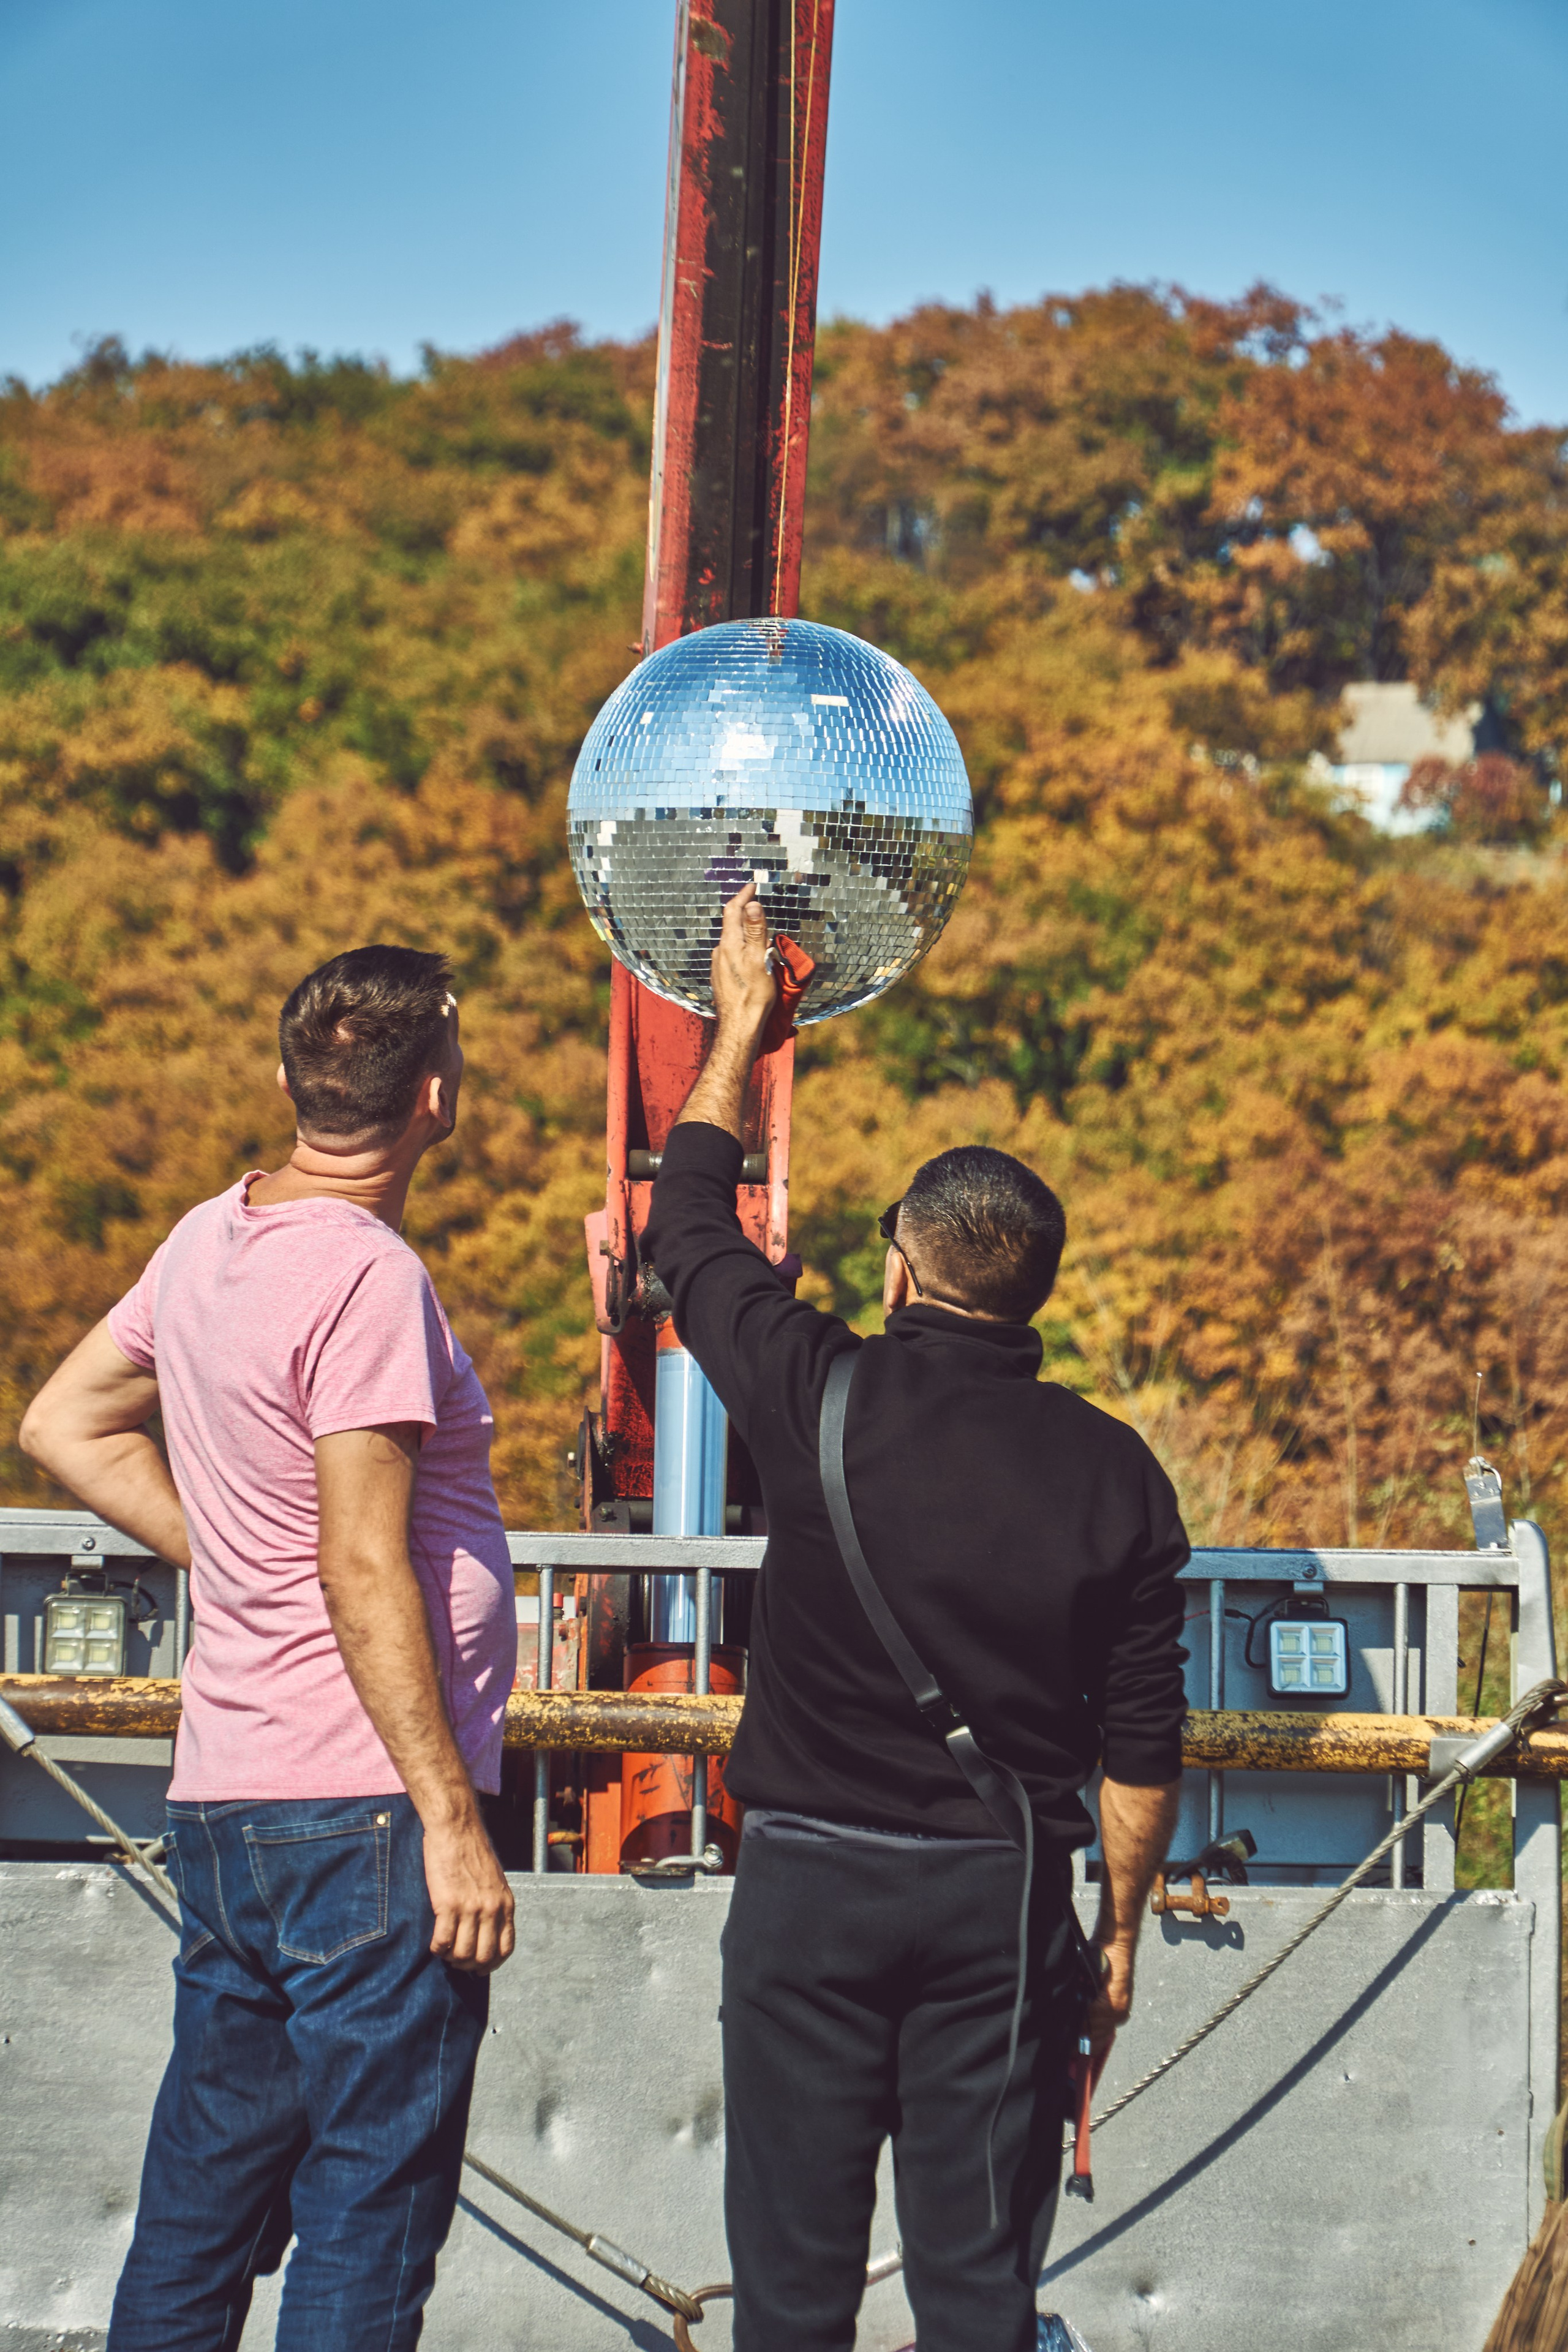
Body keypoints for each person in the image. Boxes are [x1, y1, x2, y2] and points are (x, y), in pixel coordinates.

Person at [641, 883, 1189, 2352]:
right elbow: (1140, 1756)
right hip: (999, 1907)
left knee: (795, 2295)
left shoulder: (813, 1384)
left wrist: (741, 1034)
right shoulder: (1115, 1478)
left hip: (807, 1889)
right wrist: (1117, 1934)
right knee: (972, 2296)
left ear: (899, 1265)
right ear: (1031, 1299)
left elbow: (684, 1223)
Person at [19, 944, 518, 2352]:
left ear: (298, 1083)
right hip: (359, 1815)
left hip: (228, 1803)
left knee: (200, 2212)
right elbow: (364, 1561)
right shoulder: (368, 1278)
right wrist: (448, 1820)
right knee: (368, 2209)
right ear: (436, 1091)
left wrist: (228, 1550)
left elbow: (64, 1424)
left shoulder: (205, 1236)